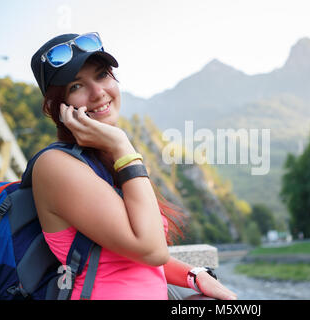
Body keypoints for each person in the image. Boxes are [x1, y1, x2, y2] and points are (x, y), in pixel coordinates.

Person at [29, 32, 237, 300]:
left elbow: (132, 258)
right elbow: (152, 250)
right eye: (76, 86)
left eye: (102, 74)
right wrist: (122, 146)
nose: (98, 92)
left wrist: (194, 275)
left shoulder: (104, 163)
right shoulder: (55, 165)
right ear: (57, 107)